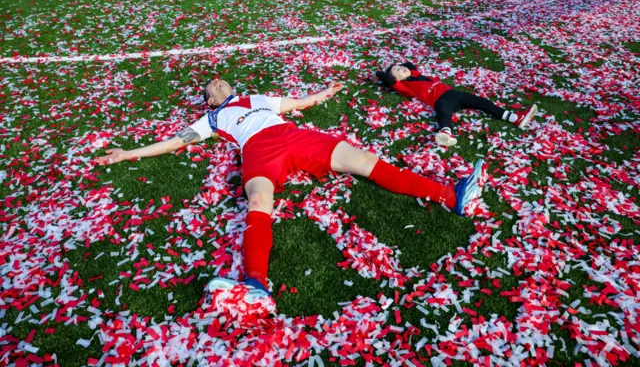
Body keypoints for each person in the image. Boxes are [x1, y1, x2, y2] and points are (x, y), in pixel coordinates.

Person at [96, 77, 485, 304]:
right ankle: (255, 286)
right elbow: (174, 143)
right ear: (209, 99)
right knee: (258, 201)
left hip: (294, 136)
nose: (216, 80)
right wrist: (127, 153)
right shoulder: (211, 117)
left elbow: (297, 102)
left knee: (365, 162)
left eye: (218, 79)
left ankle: (452, 197)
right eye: (210, 85)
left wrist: (325, 93)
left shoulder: (258, 98)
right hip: (258, 151)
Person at [373, 62, 538, 147]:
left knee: (481, 102)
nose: (401, 68)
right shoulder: (404, 86)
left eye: (400, 67)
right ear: (396, 80)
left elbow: (409, 64)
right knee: (444, 113)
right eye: (397, 70)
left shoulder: (416, 74)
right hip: (439, 99)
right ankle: (446, 133)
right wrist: (379, 75)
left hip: (453, 93)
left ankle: (514, 118)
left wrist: (400, 67)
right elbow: (386, 77)